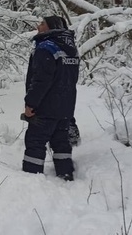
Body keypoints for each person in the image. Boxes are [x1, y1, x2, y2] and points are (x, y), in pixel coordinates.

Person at [22, 15, 79, 180]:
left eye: (42, 23)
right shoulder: (71, 49)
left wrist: (30, 104)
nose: (38, 26)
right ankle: (65, 174)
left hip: (45, 107)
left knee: (35, 142)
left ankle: (31, 177)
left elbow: (40, 80)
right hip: (66, 107)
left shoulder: (45, 48)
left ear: (50, 27)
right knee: (61, 142)